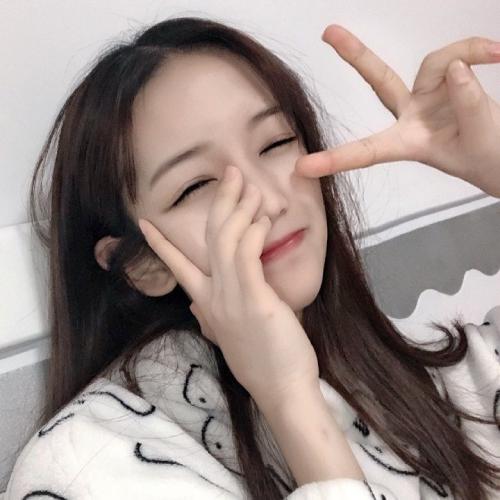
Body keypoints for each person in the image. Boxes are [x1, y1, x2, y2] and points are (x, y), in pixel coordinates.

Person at [4, 16, 500, 500]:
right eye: (196, 186)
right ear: (141, 264)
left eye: (276, 143)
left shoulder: (423, 380)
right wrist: (289, 399)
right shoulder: (84, 466)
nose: (269, 200)